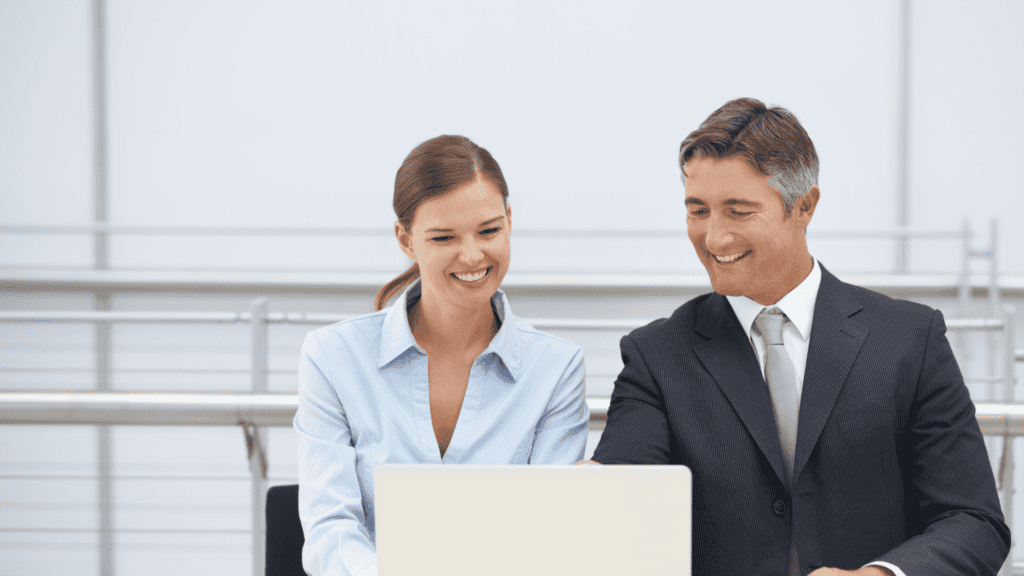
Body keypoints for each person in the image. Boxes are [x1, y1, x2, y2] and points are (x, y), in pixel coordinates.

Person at [586, 98, 1010, 575]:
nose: (713, 237)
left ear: (804, 206)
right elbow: (622, 489)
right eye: (698, 210)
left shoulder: (910, 339)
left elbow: (972, 520)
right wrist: (591, 496)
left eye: (738, 211)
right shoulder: (657, 355)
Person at [295, 135, 589, 576]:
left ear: (510, 220)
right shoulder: (333, 358)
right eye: (443, 237)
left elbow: (547, 535)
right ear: (406, 239)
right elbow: (331, 529)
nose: (472, 255)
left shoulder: (556, 369)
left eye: (489, 230)